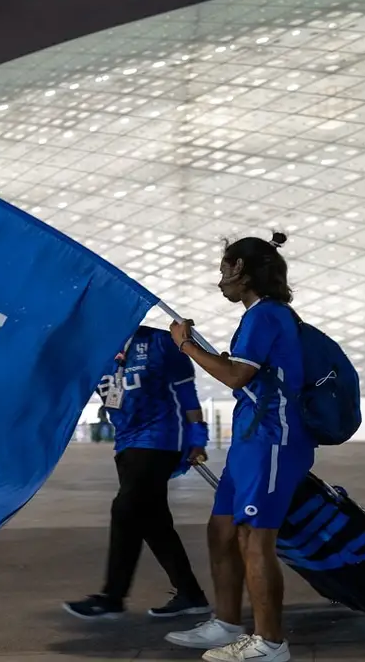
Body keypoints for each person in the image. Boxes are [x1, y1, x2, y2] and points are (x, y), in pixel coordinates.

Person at [165, 232, 313, 662]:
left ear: (242, 270)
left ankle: (270, 642)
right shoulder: (259, 316)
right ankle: (226, 623)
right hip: (251, 439)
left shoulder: (265, 315)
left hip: (272, 439)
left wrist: (185, 345)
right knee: (222, 530)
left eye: (224, 269)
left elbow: (235, 375)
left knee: (254, 536)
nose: (220, 280)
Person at [63, 325, 212, 620]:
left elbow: (186, 390)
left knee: (125, 508)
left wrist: (198, 437)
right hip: (126, 443)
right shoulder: (98, 350)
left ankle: (112, 597)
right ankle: (191, 595)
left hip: (161, 437)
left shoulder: (159, 342)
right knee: (153, 522)